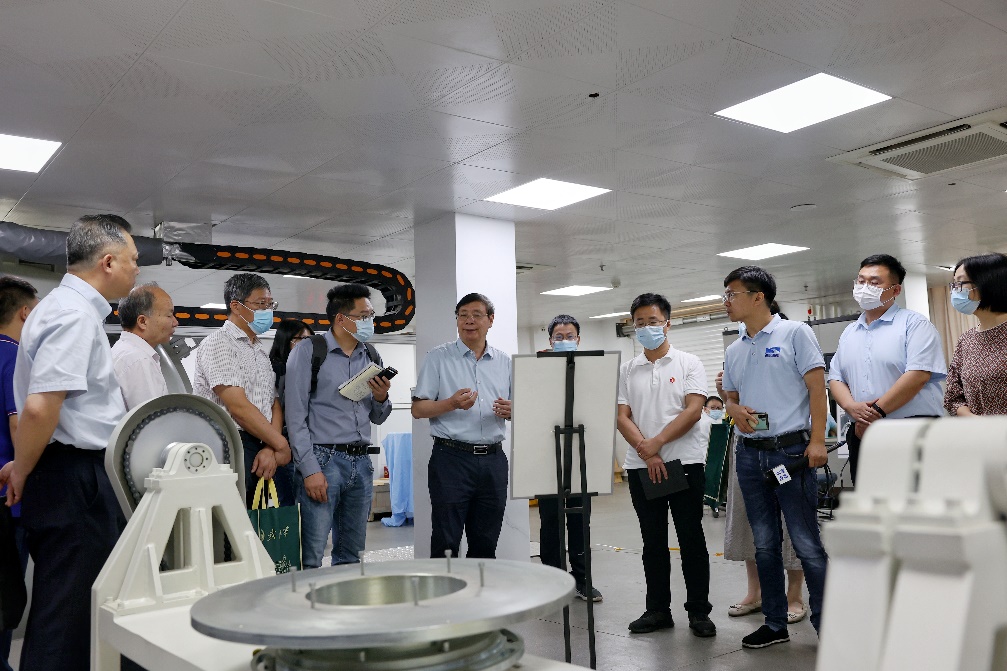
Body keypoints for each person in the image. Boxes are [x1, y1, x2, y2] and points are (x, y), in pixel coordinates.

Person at [0, 215, 138, 671]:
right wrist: (23, 469)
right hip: (74, 478)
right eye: (133, 259)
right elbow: (41, 407)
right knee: (66, 615)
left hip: (72, 472)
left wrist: (25, 463)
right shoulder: (73, 314)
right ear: (108, 262)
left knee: (79, 611)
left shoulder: (66, 309)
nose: (137, 268)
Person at [721, 266, 829, 649]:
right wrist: (732, 409)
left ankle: (828, 625)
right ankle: (774, 622)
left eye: (732, 294)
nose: (726, 302)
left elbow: (817, 389)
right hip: (750, 455)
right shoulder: (734, 349)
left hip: (791, 452)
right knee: (764, 544)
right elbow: (730, 398)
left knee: (805, 542)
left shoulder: (795, 333)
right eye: (725, 295)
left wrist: (818, 441)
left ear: (758, 297)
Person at [617, 293, 716, 638]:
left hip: (684, 463)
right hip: (641, 466)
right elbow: (622, 416)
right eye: (640, 322)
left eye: (653, 321)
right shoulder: (627, 369)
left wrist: (657, 443)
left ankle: (699, 611)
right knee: (653, 541)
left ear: (667, 324)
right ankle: (658, 610)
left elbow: (693, 410)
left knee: (691, 539)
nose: (646, 327)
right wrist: (648, 453)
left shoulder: (689, 362)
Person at [285, 285, 392, 567]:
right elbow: (295, 417)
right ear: (341, 319)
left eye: (371, 315)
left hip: (361, 462)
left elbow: (378, 417)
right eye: (364, 315)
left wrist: (381, 397)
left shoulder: (370, 355)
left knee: (351, 555)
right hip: (323, 459)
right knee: (311, 554)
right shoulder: (309, 351)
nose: (370, 321)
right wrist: (310, 469)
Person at [829, 254, 946, 484]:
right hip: (861, 431)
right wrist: (852, 408)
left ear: (895, 290)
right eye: (861, 281)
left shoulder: (915, 324)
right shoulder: (850, 332)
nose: (865, 288)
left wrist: (874, 413)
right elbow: (836, 378)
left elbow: (918, 375)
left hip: (911, 428)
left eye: (874, 283)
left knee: (915, 497)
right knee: (870, 497)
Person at [412, 293, 512, 559]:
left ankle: (479, 587)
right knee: (446, 540)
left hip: (493, 460)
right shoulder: (438, 357)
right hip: (451, 459)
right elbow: (418, 409)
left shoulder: (505, 362)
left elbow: (521, 407)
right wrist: (451, 404)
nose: (469, 321)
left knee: (486, 541)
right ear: (456, 320)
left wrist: (513, 410)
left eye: (477, 315)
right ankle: (445, 587)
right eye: (463, 315)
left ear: (490, 320)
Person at [193, 273, 293, 507]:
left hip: (262, 441)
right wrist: (280, 445)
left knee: (259, 519)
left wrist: (270, 446)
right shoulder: (219, 343)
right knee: (233, 519)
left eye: (270, 304)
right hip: (231, 442)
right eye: (260, 304)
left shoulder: (258, 348)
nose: (267, 310)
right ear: (236, 306)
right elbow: (238, 407)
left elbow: (273, 402)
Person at [717, 370, 807, 626]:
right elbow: (733, 404)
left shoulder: (790, 351)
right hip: (748, 448)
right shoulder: (738, 354)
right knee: (750, 519)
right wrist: (726, 395)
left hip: (785, 447)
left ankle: (794, 595)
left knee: (791, 520)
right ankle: (755, 592)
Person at [537, 314, 602, 602]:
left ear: (579, 339)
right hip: (546, 455)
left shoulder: (591, 368)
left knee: (580, 521)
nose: (565, 341)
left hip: (580, 455)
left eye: (570, 336)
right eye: (559, 337)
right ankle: (552, 580)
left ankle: (583, 580)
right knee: (550, 522)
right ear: (550, 341)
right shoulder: (537, 369)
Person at [0, 276, 37, 671]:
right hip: (9, 498)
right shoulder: (14, 356)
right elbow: (18, 425)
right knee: (7, 593)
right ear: (25, 313)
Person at [945, 252, 1007, 416]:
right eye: (954, 284)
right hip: (977, 430)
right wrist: (975, 421)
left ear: (988, 283)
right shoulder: (967, 340)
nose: (955, 290)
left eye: (960, 283)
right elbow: (953, 396)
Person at [268, 318, 313, 514]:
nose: (307, 345)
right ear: (286, 341)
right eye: (301, 339)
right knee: (288, 502)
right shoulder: (276, 369)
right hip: (284, 442)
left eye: (310, 339)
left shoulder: (312, 369)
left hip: (308, 441)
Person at [111, 282, 178, 410]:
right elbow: (151, 418)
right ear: (142, 321)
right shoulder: (138, 359)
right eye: (169, 315)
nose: (175, 322)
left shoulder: (125, 352)